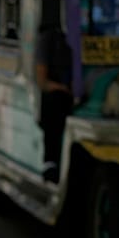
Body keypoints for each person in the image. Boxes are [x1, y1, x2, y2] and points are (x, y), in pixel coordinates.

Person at [35, 17, 73, 184]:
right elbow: (42, 81)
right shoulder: (49, 40)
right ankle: (51, 166)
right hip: (56, 100)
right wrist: (64, 89)